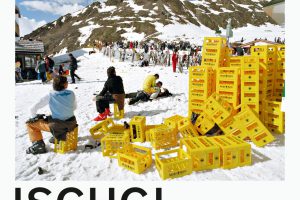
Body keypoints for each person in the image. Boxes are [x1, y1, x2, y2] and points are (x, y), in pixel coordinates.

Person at [25, 76, 77, 154]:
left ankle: (38, 145)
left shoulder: (50, 95)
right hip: (71, 123)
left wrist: (34, 117)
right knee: (52, 117)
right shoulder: (71, 93)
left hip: (58, 127)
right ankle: (57, 136)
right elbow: (74, 108)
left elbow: (32, 109)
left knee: (30, 124)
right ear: (64, 85)